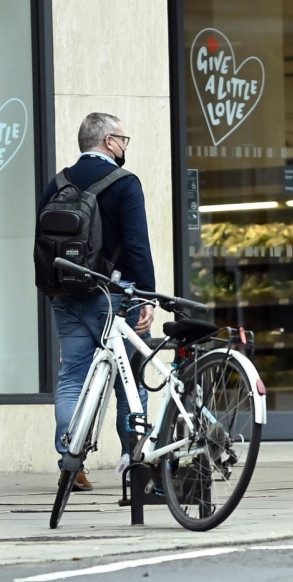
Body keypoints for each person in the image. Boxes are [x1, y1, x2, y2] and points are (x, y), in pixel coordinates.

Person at [37, 112, 156, 491]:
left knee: (72, 377)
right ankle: (135, 462)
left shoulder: (57, 183)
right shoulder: (124, 183)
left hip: (66, 293)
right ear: (108, 142)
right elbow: (137, 245)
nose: (124, 146)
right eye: (123, 139)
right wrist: (148, 296)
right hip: (116, 296)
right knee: (129, 381)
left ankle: (71, 465)